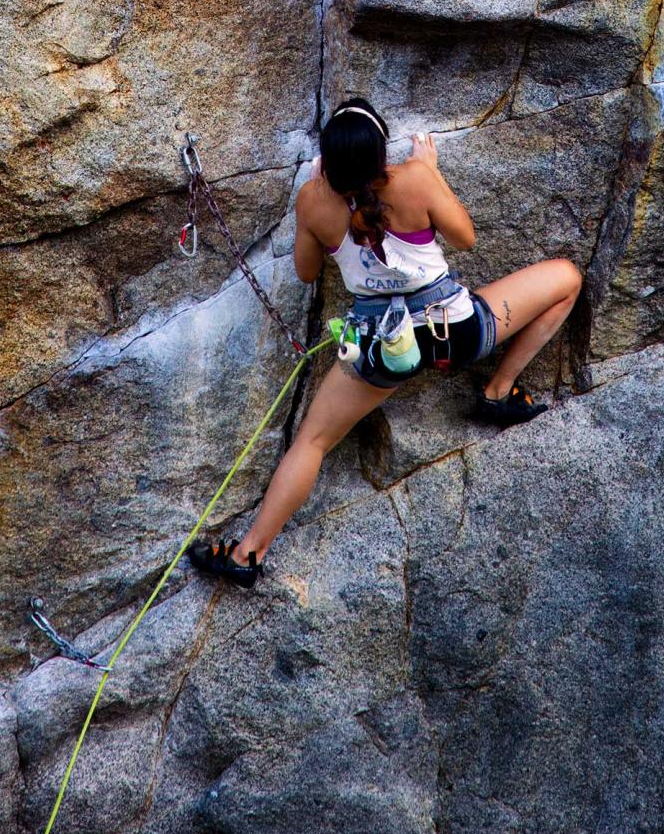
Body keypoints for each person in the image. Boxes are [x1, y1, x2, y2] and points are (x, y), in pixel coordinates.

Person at [190, 96, 582, 585]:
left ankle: (248, 553)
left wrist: (320, 197)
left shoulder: (313, 199)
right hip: (453, 332)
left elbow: (307, 272)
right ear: (380, 154)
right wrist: (429, 171)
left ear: (328, 161)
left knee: (312, 441)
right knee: (566, 278)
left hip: (382, 351)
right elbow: (466, 237)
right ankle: (498, 391)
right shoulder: (414, 180)